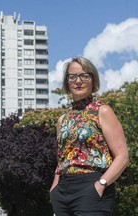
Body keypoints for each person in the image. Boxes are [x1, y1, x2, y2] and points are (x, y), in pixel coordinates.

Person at [49, 57, 129, 216]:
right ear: (67, 82)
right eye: (73, 76)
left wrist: (101, 184)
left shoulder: (103, 112)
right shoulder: (63, 120)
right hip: (63, 191)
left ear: (93, 79)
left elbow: (122, 157)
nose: (78, 81)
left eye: (84, 75)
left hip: (91, 186)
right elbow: (62, 160)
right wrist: (54, 189)